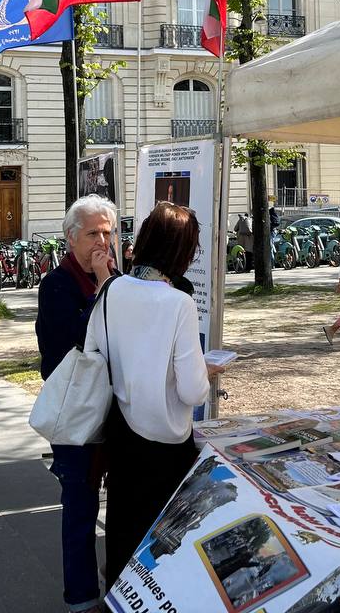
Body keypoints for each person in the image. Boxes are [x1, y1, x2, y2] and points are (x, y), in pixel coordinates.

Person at [86, 201, 216, 585]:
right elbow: (193, 391)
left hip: (121, 435)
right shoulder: (178, 302)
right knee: (162, 549)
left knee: (124, 535)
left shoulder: (111, 289)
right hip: (167, 446)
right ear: (181, 251)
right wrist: (205, 369)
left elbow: (94, 352)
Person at [35, 195, 119, 613]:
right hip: (78, 415)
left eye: (109, 232)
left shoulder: (118, 279)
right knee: (81, 511)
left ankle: (123, 587)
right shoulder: (57, 284)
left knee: (121, 505)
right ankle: (82, 599)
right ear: (72, 239)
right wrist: (104, 289)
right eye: (93, 234)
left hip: (120, 413)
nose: (102, 241)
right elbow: (75, 343)